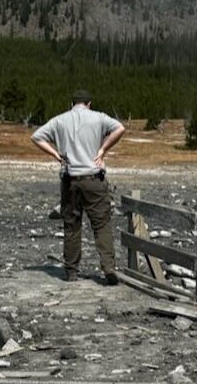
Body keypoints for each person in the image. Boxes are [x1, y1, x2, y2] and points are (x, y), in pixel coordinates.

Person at [31, 89, 126, 284]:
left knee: (72, 225)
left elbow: (37, 136)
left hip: (70, 178)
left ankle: (72, 271)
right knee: (101, 225)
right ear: (89, 103)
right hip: (93, 177)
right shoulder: (99, 118)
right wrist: (102, 149)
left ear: (71, 104)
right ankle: (108, 267)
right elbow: (120, 129)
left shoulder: (59, 120)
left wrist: (56, 155)